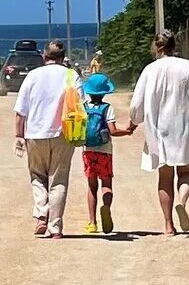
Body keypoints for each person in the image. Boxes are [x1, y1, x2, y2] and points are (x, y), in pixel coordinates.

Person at [128, 29, 189, 236]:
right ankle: (182, 202)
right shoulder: (187, 67)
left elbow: (136, 104)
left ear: (156, 48)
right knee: (186, 173)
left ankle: (168, 225)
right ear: (175, 45)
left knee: (164, 178)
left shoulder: (149, 70)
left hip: (158, 130)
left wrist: (134, 122)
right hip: (184, 127)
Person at [13, 39, 79, 239]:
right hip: (63, 134)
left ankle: (41, 215)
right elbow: (80, 104)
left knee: (37, 176)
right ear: (63, 57)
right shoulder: (71, 75)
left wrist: (18, 135)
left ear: (44, 56)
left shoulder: (33, 76)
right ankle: (55, 227)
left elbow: (20, 111)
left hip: (35, 134)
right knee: (58, 180)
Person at [80, 73, 133, 235]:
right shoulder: (107, 108)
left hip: (88, 151)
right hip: (105, 151)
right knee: (107, 184)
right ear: (104, 93)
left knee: (91, 186)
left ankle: (92, 222)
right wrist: (127, 131)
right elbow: (113, 131)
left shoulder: (83, 107)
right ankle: (106, 207)